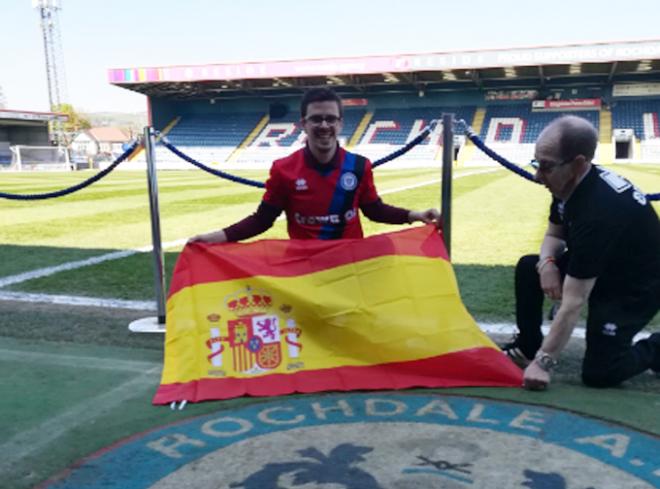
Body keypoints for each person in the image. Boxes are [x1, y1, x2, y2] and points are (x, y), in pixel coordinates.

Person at [502, 115, 660, 390]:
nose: (538, 176)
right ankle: (528, 345)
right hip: (603, 265)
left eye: (547, 167)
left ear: (577, 164)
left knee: (600, 373)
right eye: (537, 164)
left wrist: (544, 362)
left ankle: (657, 349)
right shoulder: (568, 184)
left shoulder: (599, 211)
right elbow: (554, 234)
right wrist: (548, 262)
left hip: (634, 286)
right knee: (530, 266)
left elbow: (574, 301)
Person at [190, 87, 441, 243]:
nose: (324, 125)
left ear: (340, 123)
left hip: (349, 266)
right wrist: (218, 237)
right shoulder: (283, 169)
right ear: (304, 124)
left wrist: (415, 215)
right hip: (304, 269)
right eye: (316, 119)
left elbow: (374, 210)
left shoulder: (359, 167)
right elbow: (263, 220)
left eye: (330, 119)